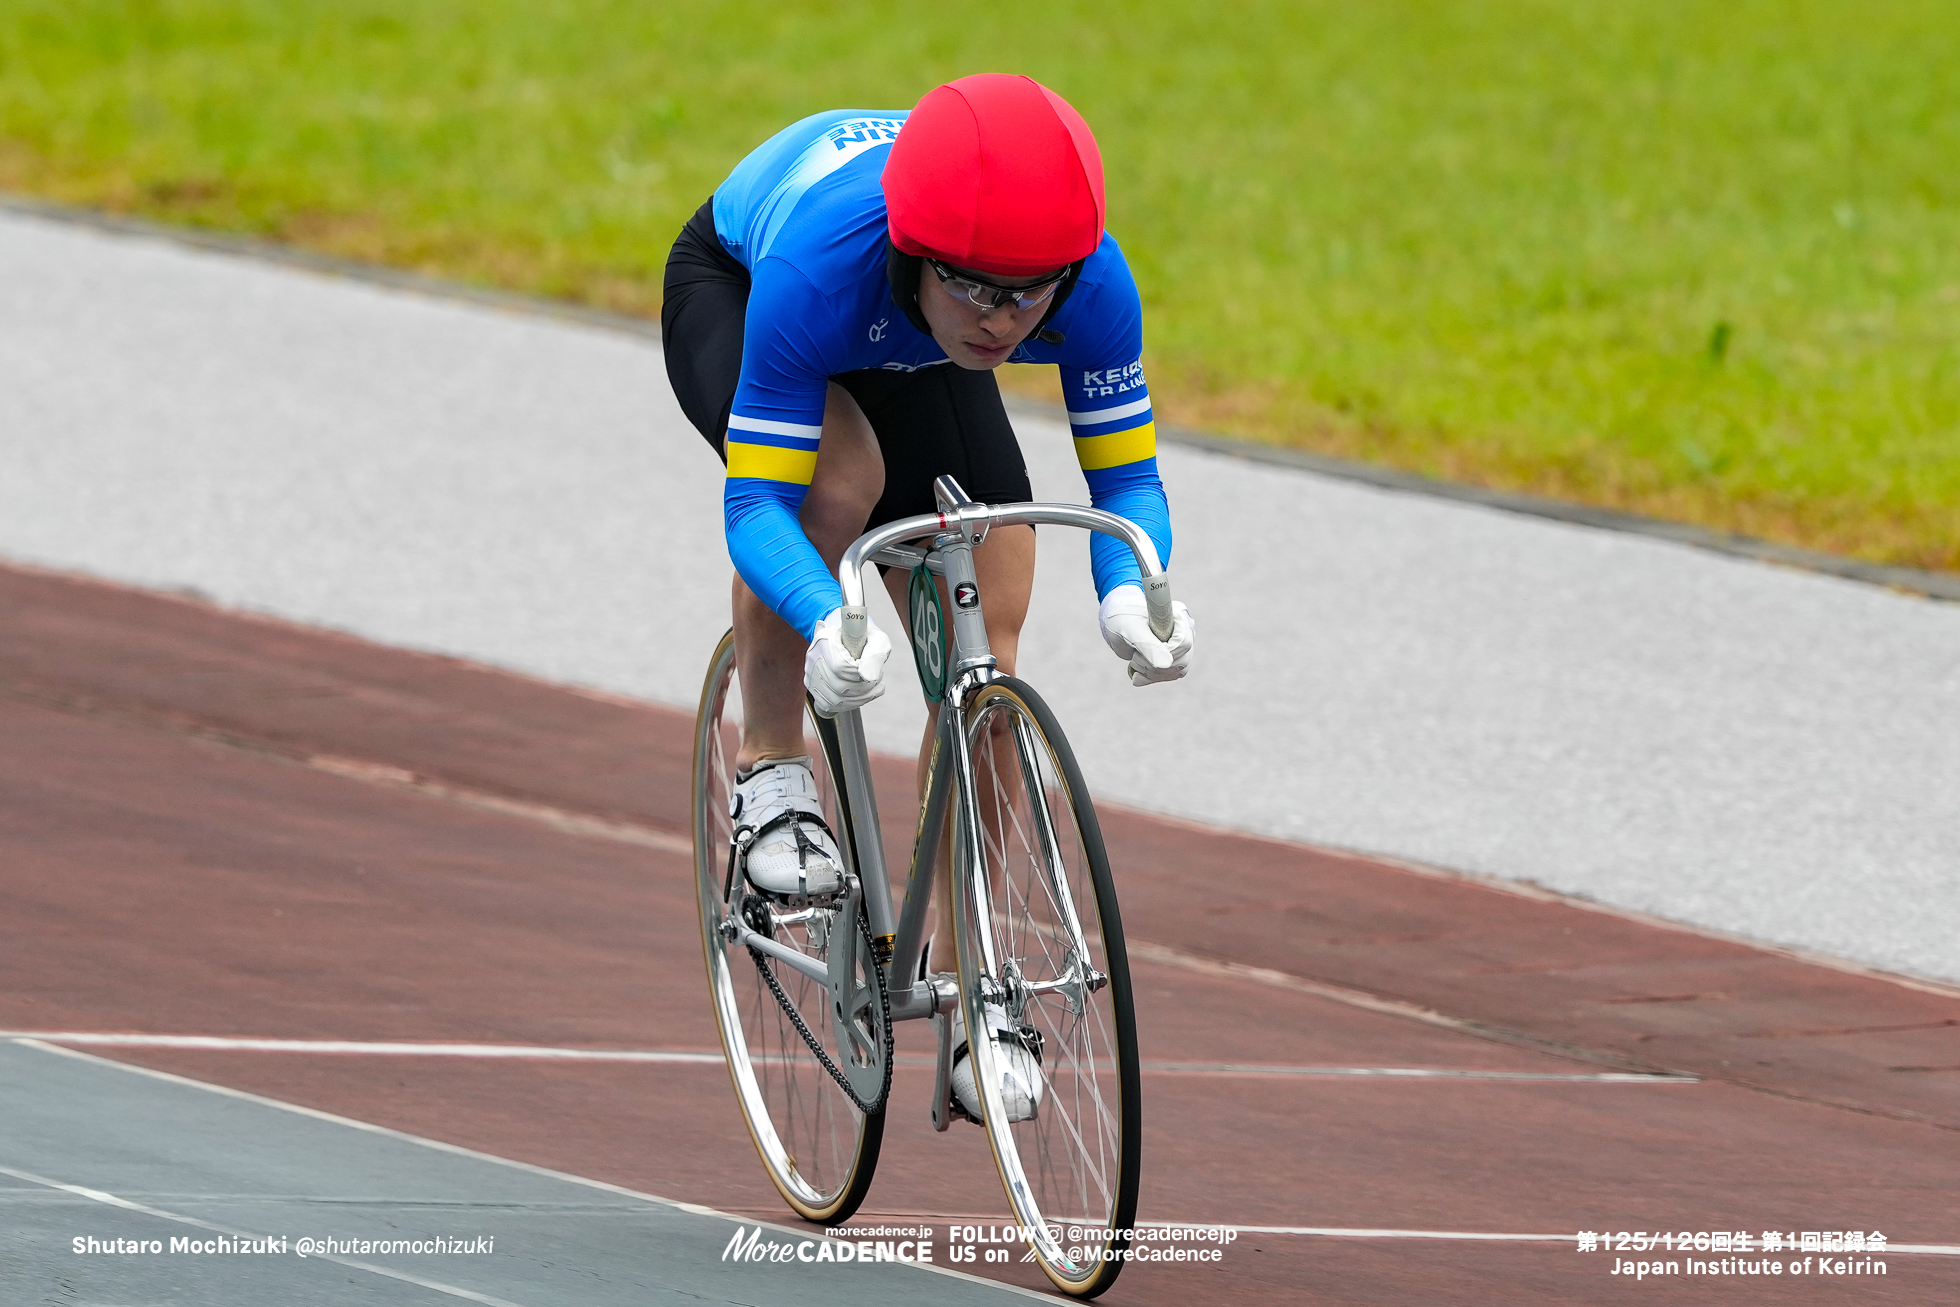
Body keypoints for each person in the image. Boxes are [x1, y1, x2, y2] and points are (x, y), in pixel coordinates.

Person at [662, 73, 1195, 1120]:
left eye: (1032, 292)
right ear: (919, 256)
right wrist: (829, 614)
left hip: (911, 331)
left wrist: (1129, 588)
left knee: (984, 648)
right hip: (752, 286)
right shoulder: (822, 264)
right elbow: (755, 505)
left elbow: (1125, 483)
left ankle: (977, 1000)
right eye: (983, 291)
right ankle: (773, 773)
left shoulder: (1078, 285)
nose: (1007, 322)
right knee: (838, 479)